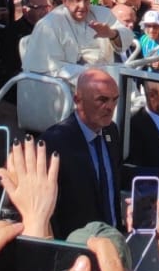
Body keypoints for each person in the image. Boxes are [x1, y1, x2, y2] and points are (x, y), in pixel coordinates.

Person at [42, 68, 123, 236]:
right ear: (78, 100)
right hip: (77, 243)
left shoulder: (111, 132)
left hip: (112, 239)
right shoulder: (55, 142)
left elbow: (115, 173)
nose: (110, 107)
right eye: (102, 100)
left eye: (115, 99)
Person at [21, 0, 133, 82]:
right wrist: (90, 75)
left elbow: (128, 36)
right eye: (77, 0)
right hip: (68, 85)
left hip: (106, 76)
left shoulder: (102, 14)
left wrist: (112, 34)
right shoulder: (49, 24)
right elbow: (51, 68)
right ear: (65, 1)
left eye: (86, 0)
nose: (82, 6)